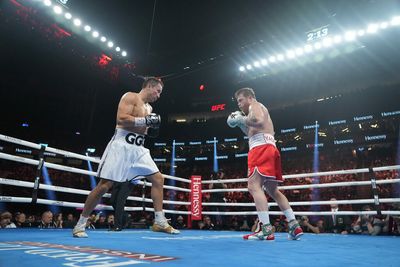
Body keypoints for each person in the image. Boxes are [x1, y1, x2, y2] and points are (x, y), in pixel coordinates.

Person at [73, 77, 180, 237]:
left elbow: (142, 127)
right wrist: (145, 120)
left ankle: (159, 221)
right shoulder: (130, 97)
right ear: (149, 86)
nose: (159, 95)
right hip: (121, 144)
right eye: (158, 91)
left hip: (139, 148)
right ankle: (80, 224)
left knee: (158, 179)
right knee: (104, 185)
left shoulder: (149, 108)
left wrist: (151, 128)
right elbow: (121, 119)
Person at [227, 87, 303, 241]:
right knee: (272, 190)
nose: (239, 104)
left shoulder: (255, 105)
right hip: (269, 148)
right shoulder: (255, 110)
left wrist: (241, 119)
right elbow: (253, 129)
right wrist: (241, 124)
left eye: (241, 100)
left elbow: (258, 121)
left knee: (253, 186)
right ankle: (294, 225)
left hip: (260, 149)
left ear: (249, 98)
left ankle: (266, 229)